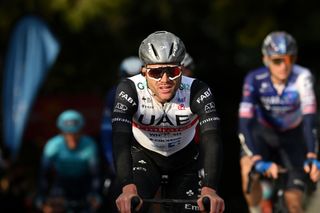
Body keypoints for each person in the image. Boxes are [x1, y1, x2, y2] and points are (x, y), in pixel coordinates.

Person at [111, 30, 225, 213]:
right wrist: (127, 186)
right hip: (144, 156)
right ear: (144, 72)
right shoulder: (129, 89)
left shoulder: (198, 90)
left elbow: (211, 137)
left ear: (181, 70)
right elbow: (120, 137)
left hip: (185, 161)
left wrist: (210, 188)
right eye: (156, 72)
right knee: (130, 206)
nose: (165, 80)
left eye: (172, 71)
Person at [238, 31, 320, 213]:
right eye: (277, 61)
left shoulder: (302, 76)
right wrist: (256, 159)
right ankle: (255, 210)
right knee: (248, 169)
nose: (284, 66)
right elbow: (245, 122)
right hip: (262, 135)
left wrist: (312, 155)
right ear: (266, 59)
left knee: (295, 204)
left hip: (293, 137)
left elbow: (310, 118)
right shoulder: (254, 79)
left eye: (290, 59)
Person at [35, 109, 102, 212]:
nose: (72, 138)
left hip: (84, 182)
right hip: (61, 182)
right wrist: (42, 195)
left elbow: (95, 174)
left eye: (76, 133)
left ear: (81, 131)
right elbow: (44, 173)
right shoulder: (53, 145)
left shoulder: (90, 144)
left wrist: (95, 194)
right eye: (68, 134)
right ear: (61, 133)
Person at [100, 56, 143, 173]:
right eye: (128, 78)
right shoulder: (113, 95)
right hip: (124, 148)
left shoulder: (158, 92)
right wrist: (111, 159)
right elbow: (107, 130)